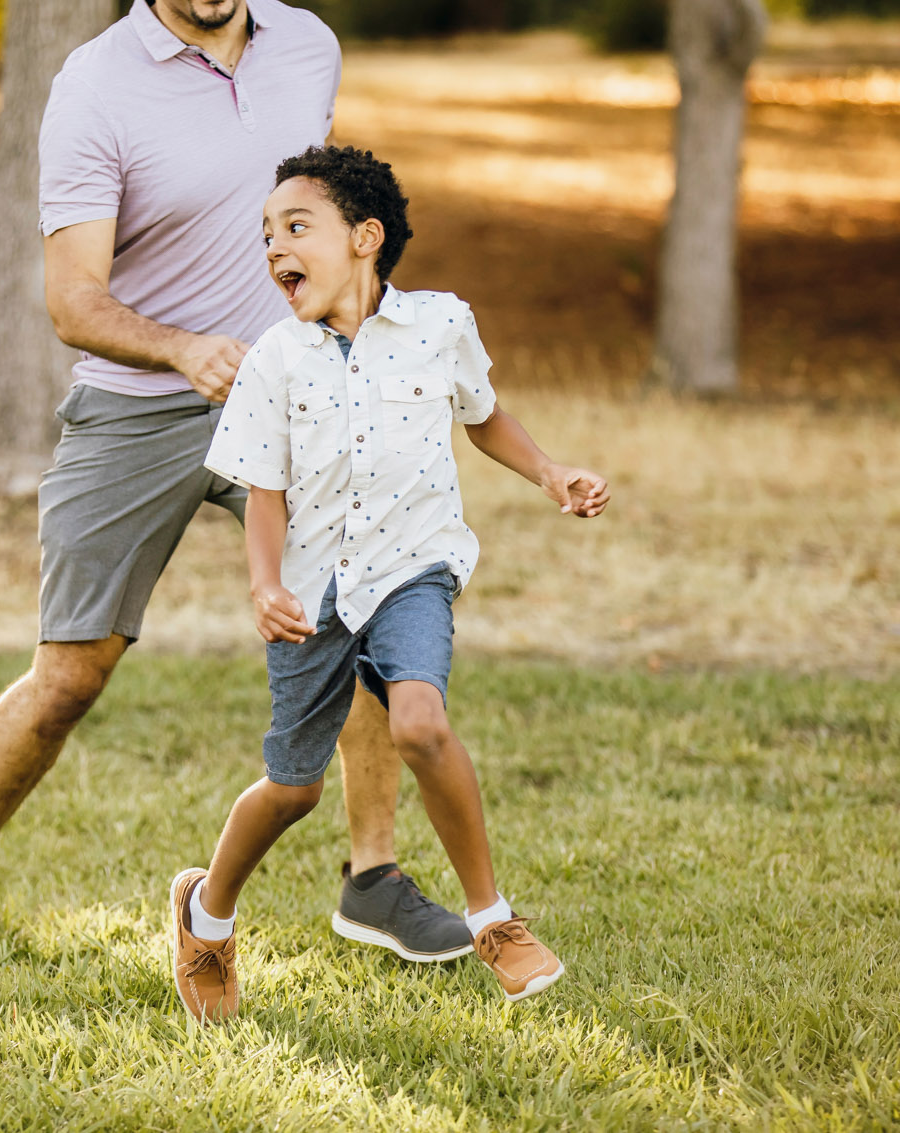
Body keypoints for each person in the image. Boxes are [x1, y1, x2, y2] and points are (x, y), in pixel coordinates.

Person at [0, 0, 473, 963]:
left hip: (296, 403)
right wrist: (183, 349)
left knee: (356, 618)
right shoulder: (94, 86)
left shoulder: (305, 46)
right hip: (141, 406)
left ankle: (374, 878)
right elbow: (70, 300)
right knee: (70, 674)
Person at [167, 145, 611, 1022]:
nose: (273, 248)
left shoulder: (440, 325)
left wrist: (551, 473)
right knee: (292, 788)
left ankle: (492, 919)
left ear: (366, 238)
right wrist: (264, 585)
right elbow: (263, 491)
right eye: (266, 234)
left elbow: (485, 419)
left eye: (296, 227)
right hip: (314, 589)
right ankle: (205, 914)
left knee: (419, 721)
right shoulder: (274, 360)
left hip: (414, 565)